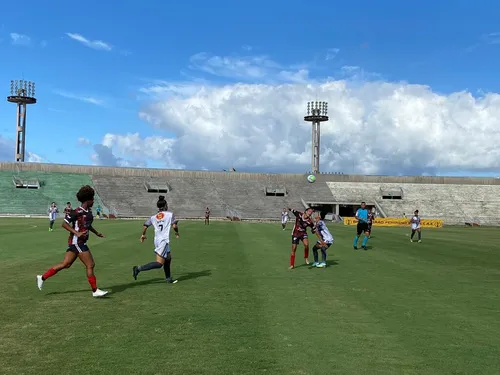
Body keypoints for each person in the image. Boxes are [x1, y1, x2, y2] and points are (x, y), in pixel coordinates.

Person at [36, 185, 108, 297]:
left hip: (77, 243)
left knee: (66, 264)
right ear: (87, 200)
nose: (93, 201)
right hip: (78, 242)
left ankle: (42, 277)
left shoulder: (88, 212)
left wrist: (96, 232)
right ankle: (95, 291)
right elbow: (64, 224)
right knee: (90, 265)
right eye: (92, 199)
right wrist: (77, 233)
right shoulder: (76, 212)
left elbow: (87, 225)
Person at [133, 195, 180, 283]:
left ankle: (168, 278)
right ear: (165, 205)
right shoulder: (170, 214)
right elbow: (174, 226)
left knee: (168, 258)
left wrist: (143, 235)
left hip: (157, 240)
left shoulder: (153, 217)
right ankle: (138, 269)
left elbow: (145, 226)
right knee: (159, 264)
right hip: (163, 240)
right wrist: (177, 232)